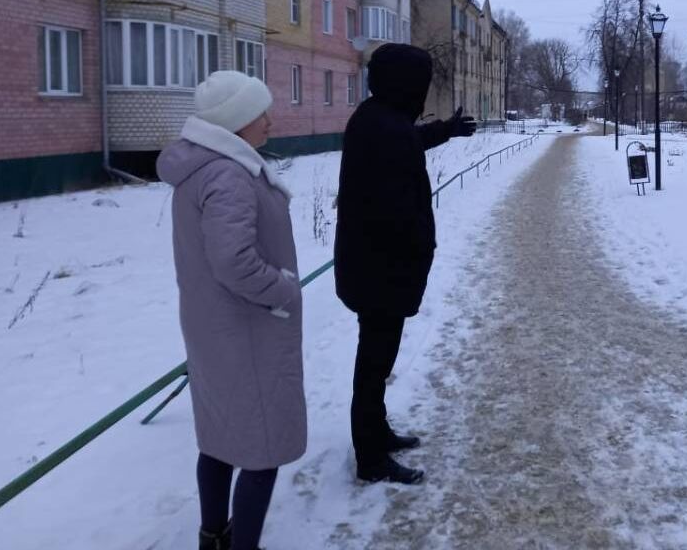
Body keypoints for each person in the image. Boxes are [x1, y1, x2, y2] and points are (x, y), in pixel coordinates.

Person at [157, 71, 305, 550]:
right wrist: (281, 290)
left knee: (220, 438)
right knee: (261, 451)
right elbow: (233, 261)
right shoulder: (227, 174)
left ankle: (213, 537)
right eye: (260, 112)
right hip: (246, 332)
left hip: (216, 328)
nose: (270, 120)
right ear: (237, 121)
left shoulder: (207, 167)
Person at [334, 43, 476, 484]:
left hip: (373, 267)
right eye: (420, 83)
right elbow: (396, 210)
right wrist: (420, 247)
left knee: (376, 361)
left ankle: (376, 434)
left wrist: (446, 130)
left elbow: (409, 140)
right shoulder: (384, 128)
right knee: (374, 363)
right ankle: (371, 458)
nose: (423, 91)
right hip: (381, 270)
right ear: (404, 84)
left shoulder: (377, 118)